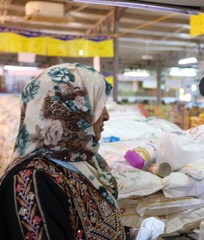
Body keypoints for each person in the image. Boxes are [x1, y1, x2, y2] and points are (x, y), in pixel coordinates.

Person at [0, 63, 136, 239]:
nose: (106, 115)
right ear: (69, 110)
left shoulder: (84, 165)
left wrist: (132, 235)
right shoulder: (32, 180)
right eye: (97, 104)